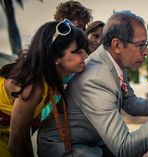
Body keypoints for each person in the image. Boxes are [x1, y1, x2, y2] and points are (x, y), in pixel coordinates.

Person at [38, 11, 148, 157]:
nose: (146, 52)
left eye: (145, 44)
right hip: (64, 146)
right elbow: (124, 149)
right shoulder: (95, 80)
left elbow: (132, 104)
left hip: (89, 141)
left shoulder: (116, 60)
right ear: (117, 45)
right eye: (140, 45)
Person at [0, 19, 88, 157]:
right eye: (77, 52)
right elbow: (15, 144)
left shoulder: (51, 79)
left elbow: (28, 131)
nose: (85, 56)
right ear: (56, 57)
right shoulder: (33, 86)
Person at [41, 0, 93, 121]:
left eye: (84, 28)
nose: (83, 33)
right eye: (79, 27)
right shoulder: (45, 56)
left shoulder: (80, 54)